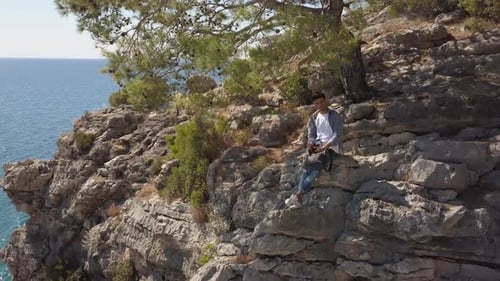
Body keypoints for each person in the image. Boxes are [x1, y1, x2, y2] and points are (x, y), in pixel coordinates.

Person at [285, 92, 343, 208]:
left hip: (330, 147)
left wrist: (325, 146)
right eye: (317, 103)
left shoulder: (334, 115)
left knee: (315, 170)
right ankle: (297, 198)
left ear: (325, 100)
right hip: (318, 145)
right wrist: (311, 144)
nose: (320, 105)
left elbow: (337, 134)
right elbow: (311, 134)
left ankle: (298, 195)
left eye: (321, 102)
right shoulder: (314, 117)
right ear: (314, 104)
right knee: (306, 169)